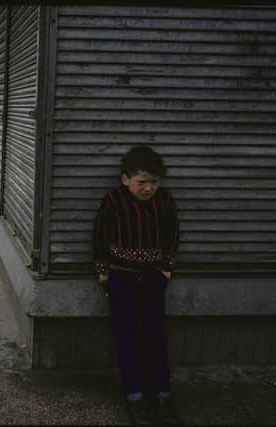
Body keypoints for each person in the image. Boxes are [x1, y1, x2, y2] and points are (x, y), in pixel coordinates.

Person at [92, 145, 180, 425]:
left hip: (153, 278)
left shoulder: (164, 201)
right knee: (127, 337)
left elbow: (173, 233)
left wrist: (166, 268)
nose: (148, 188)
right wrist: (104, 271)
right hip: (121, 278)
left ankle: (163, 397)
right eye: (142, 182)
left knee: (155, 336)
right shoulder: (113, 201)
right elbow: (99, 236)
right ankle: (135, 399)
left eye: (154, 182)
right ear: (125, 179)